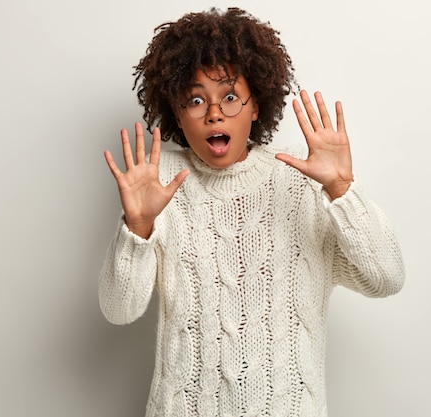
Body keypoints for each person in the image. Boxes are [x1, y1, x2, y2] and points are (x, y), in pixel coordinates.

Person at [99, 7, 404, 417]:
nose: (213, 113)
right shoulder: (159, 180)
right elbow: (119, 310)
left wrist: (340, 189)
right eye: (194, 99)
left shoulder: (303, 176)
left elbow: (386, 279)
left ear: (256, 105)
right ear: (176, 112)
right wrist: (137, 227)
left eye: (229, 96)